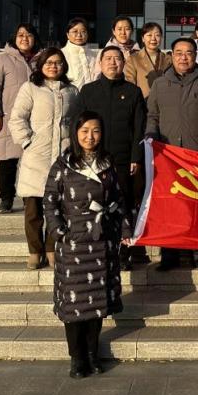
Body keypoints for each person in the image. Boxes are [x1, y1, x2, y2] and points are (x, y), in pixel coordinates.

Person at [44, 111, 129, 379]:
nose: (90, 137)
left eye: (95, 131)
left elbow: (118, 198)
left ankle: (93, 354)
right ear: (75, 133)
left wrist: (124, 228)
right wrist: (60, 231)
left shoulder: (107, 163)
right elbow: (50, 201)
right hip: (74, 243)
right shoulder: (63, 165)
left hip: (101, 241)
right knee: (74, 305)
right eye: (84, 131)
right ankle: (76, 357)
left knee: (96, 304)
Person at [146, 37, 198, 272]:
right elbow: (153, 117)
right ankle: (170, 253)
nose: (183, 57)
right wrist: (151, 139)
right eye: (179, 53)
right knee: (171, 207)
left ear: (195, 55)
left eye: (189, 53)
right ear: (172, 56)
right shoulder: (159, 84)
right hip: (169, 157)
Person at [8, 48, 79, 269]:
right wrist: (27, 141)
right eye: (48, 62)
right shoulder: (30, 88)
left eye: (58, 63)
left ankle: (51, 249)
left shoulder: (72, 91)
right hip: (36, 156)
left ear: (64, 66)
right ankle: (34, 251)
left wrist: (72, 146)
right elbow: (17, 118)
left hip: (62, 156)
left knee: (58, 208)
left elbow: (77, 122)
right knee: (33, 210)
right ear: (40, 65)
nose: (53, 66)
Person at [77, 45, 146, 270]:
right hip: (93, 160)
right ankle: (96, 251)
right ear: (100, 63)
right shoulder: (88, 91)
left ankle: (124, 253)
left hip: (123, 160)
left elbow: (139, 127)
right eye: (108, 58)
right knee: (94, 205)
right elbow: (78, 124)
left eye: (117, 58)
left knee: (123, 206)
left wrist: (136, 156)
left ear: (124, 63)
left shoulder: (133, 92)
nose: (113, 62)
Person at [0, 22, 40, 214]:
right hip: (10, 118)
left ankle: (30, 198)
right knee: (8, 161)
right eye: (21, 35)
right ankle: (6, 198)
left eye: (29, 35)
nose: (25, 39)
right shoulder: (3, 59)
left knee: (32, 162)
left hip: (36, 119)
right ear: (14, 38)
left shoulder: (41, 59)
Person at [124, 21, 170, 98]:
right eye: (149, 35)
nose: (153, 38)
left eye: (157, 35)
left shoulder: (168, 59)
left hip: (164, 101)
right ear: (143, 38)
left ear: (161, 38)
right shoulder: (133, 59)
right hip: (142, 101)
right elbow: (130, 84)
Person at [92, 15, 140, 80]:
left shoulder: (139, 53)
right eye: (119, 29)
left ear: (132, 31)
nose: (123, 33)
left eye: (127, 29)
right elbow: (98, 77)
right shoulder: (104, 52)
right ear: (114, 31)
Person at [61, 17, 96, 90]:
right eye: (75, 31)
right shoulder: (61, 54)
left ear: (87, 34)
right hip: (71, 95)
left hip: (93, 95)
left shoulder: (94, 55)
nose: (79, 35)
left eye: (83, 31)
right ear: (67, 35)